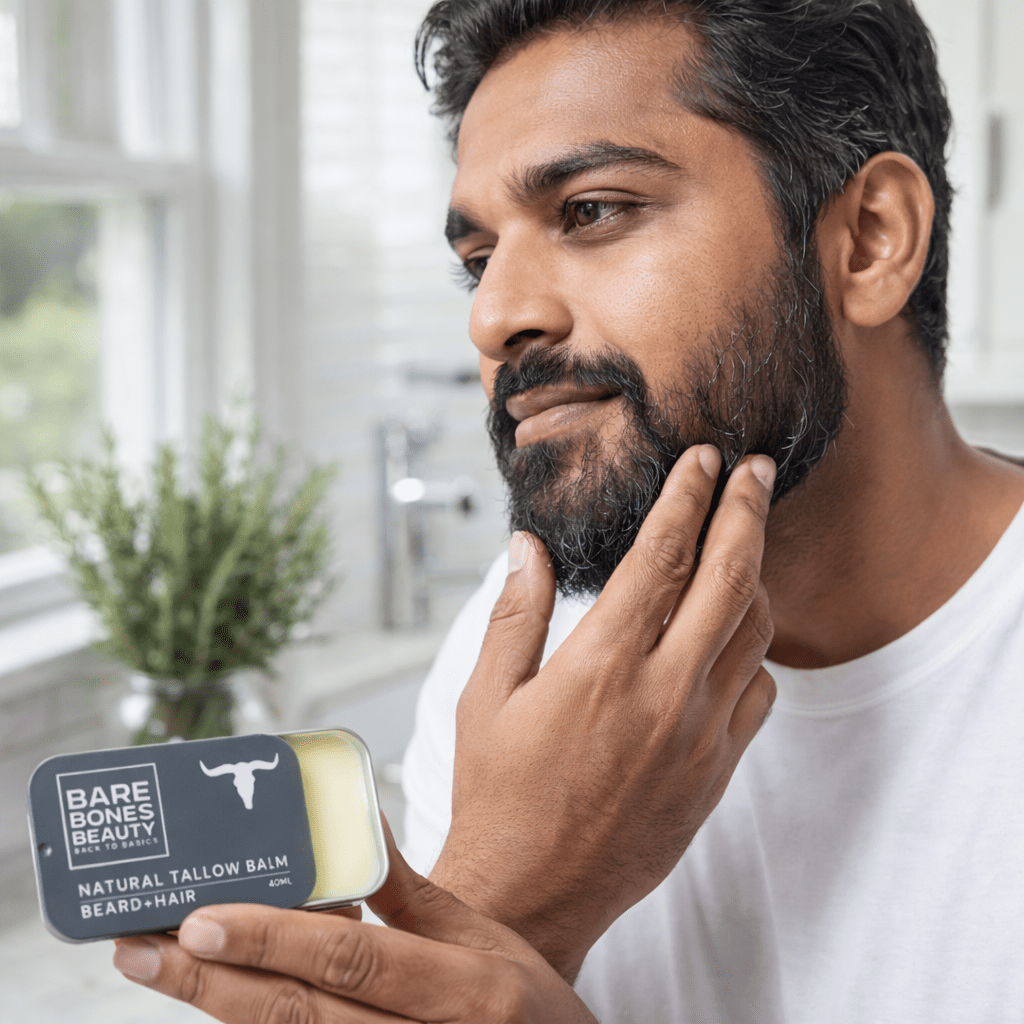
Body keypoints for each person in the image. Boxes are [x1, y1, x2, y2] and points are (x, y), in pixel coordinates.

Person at [111, 1, 1024, 1021]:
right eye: (476, 257)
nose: (494, 316)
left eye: (592, 210)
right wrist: (512, 903)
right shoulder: (511, 664)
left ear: (867, 241)